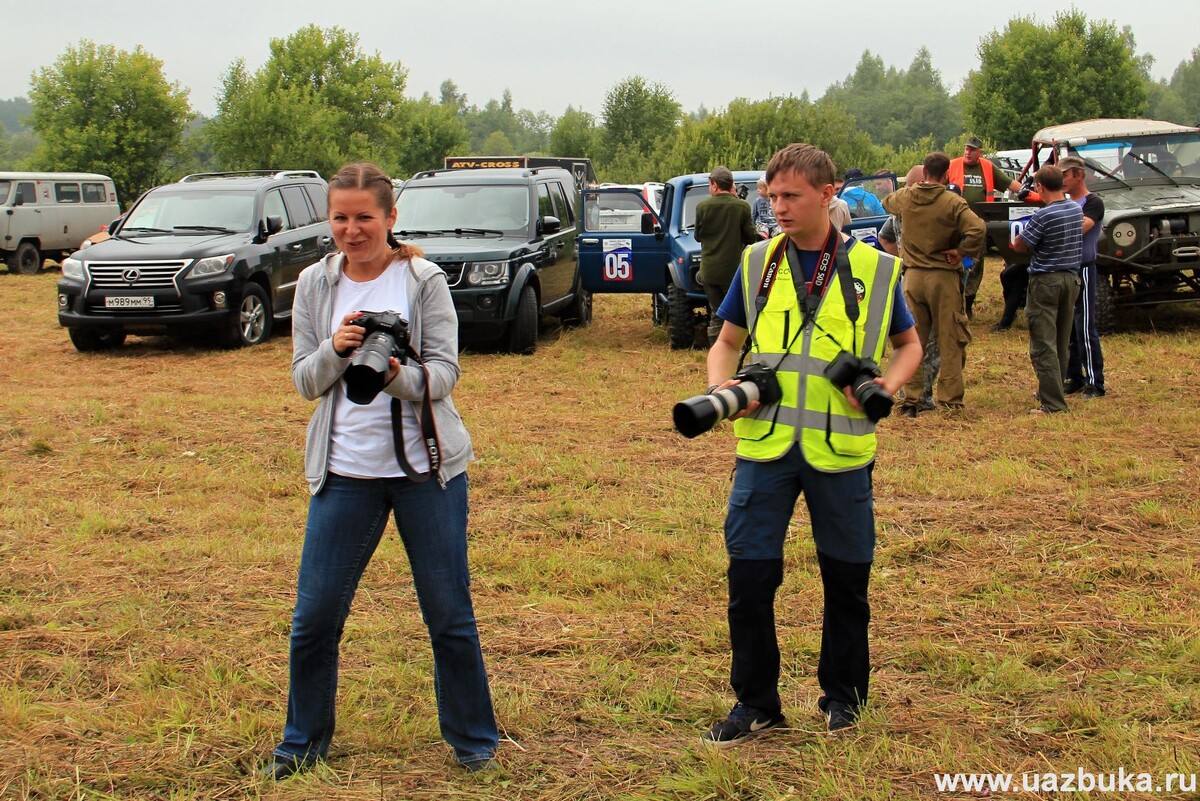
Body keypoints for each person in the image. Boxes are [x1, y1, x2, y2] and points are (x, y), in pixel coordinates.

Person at [262, 162, 499, 779]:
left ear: (391, 218)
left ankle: (475, 741)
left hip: (427, 473)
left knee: (449, 615)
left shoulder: (422, 281)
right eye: (340, 217)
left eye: (364, 217)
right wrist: (335, 352)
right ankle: (301, 743)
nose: (351, 229)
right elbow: (303, 381)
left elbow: (444, 376)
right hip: (344, 473)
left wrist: (393, 374)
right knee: (313, 618)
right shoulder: (316, 284)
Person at [700, 143, 921, 745]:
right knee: (749, 580)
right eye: (771, 197)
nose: (778, 208)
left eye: (791, 196)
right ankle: (755, 703)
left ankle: (844, 697)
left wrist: (885, 387)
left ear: (829, 195)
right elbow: (725, 341)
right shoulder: (755, 263)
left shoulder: (876, 271)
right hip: (764, 448)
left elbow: (910, 346)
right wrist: (727, 389)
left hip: (840, 450)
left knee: (846, 580)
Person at [883, 152, 986, 415]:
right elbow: (978, 228)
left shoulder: (906, 197)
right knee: (950, 339)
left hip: (913, 276)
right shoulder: (953, 202)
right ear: (946, 175)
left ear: (924, 171)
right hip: (942, 276)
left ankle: (911, 400)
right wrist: (961, 251)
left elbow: (887, 202)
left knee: (913, 341)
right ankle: (950, 400)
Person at [1012, 165, 1083, 414]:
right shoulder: (1075, 209)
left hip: (1046, 281)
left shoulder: (1044, 215)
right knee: (1061, 340)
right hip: (1071, 279)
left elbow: (1021, 245)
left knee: (1044, 343)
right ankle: (1052, 390)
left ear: (1040, 187)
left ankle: (1052, 404)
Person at [949, 137, 1024, 318]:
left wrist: (1029, 194)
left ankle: (967, 303)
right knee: (953, 263)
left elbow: (1010, 184)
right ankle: (954, 303)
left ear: (980, 152)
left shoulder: (988, 168)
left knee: (974, 265)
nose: (968, 152)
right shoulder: (952, 165)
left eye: (972, 149)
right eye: (966, 148)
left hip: (978, 228)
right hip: (954, 226)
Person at [695, 166, 758, 346]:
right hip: (733, 272)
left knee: (716, 312)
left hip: (709, 272)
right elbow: (750, 237)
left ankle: (716, 347)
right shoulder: (742, 207)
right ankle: (740, 347)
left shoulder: (702, 207)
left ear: (714, 185)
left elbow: (698, 236)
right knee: (738, 312)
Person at [1061, 156, 1106, 398]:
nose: (1062, 181)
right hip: (1066, 269)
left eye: (1065, 175)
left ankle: (1095, 382)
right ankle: (1074, 377)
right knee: (1068, 327)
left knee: (1085, 326)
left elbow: (1080, 228)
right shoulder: (1067, 204)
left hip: (1084, 268)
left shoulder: (1092, 203)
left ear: (1079, 174)